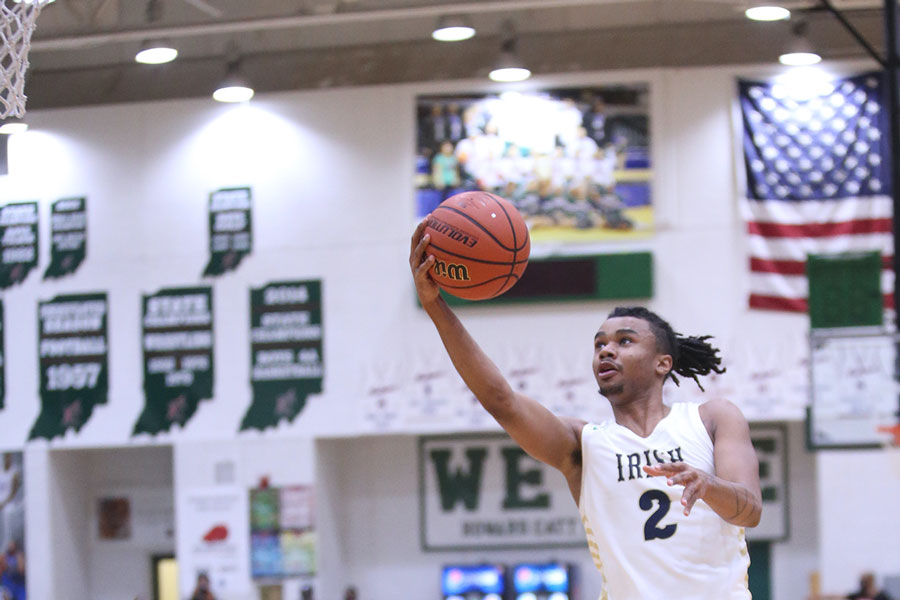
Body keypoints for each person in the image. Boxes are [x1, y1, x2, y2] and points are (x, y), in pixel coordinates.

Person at [409, 223, 762, 600]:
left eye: (624, 341)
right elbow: (502, 402)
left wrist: (709, 485)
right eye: (599, 345)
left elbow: (750, 511)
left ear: (663, 363)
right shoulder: (583, 445)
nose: (606, 351)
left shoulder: (712, 419)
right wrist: (435, 306)